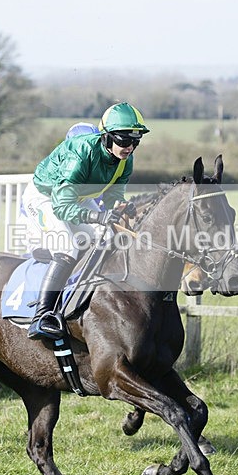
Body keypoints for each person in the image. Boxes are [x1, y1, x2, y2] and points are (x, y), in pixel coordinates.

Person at [20, 102, 149, 340]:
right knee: (68, 246)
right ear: (107, 136)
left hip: (76, 198)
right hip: (46, 197)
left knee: (108, 237)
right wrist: (98, 216)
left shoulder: (125, 159)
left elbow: (112, 195)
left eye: (135, 141)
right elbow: (61, 205)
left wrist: (119, 207)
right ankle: (42, 316)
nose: (129, 147)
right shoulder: (80, 152)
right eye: (123, 140)